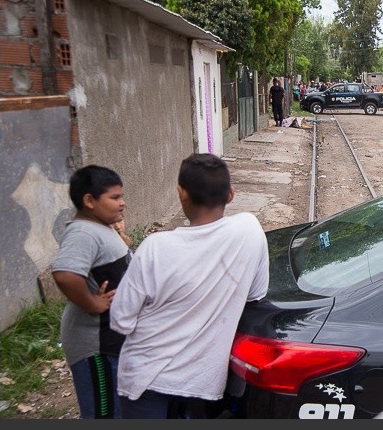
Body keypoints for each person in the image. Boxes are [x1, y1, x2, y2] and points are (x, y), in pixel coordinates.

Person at [110, 153, 269, 419]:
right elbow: (256, 294)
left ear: (181, 193)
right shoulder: (250, 231)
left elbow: (121, 321)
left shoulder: (155, 248)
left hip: (145, 379)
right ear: (230, 194)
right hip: (199, 383)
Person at [51, 165, 132, 419]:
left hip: (109, 341)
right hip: (94, 346)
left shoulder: (101, 228)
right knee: (103, 414)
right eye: (115, 197)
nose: (122, 203)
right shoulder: (83, 232)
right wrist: (92, 304)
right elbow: (65, 273)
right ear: (89, 201)